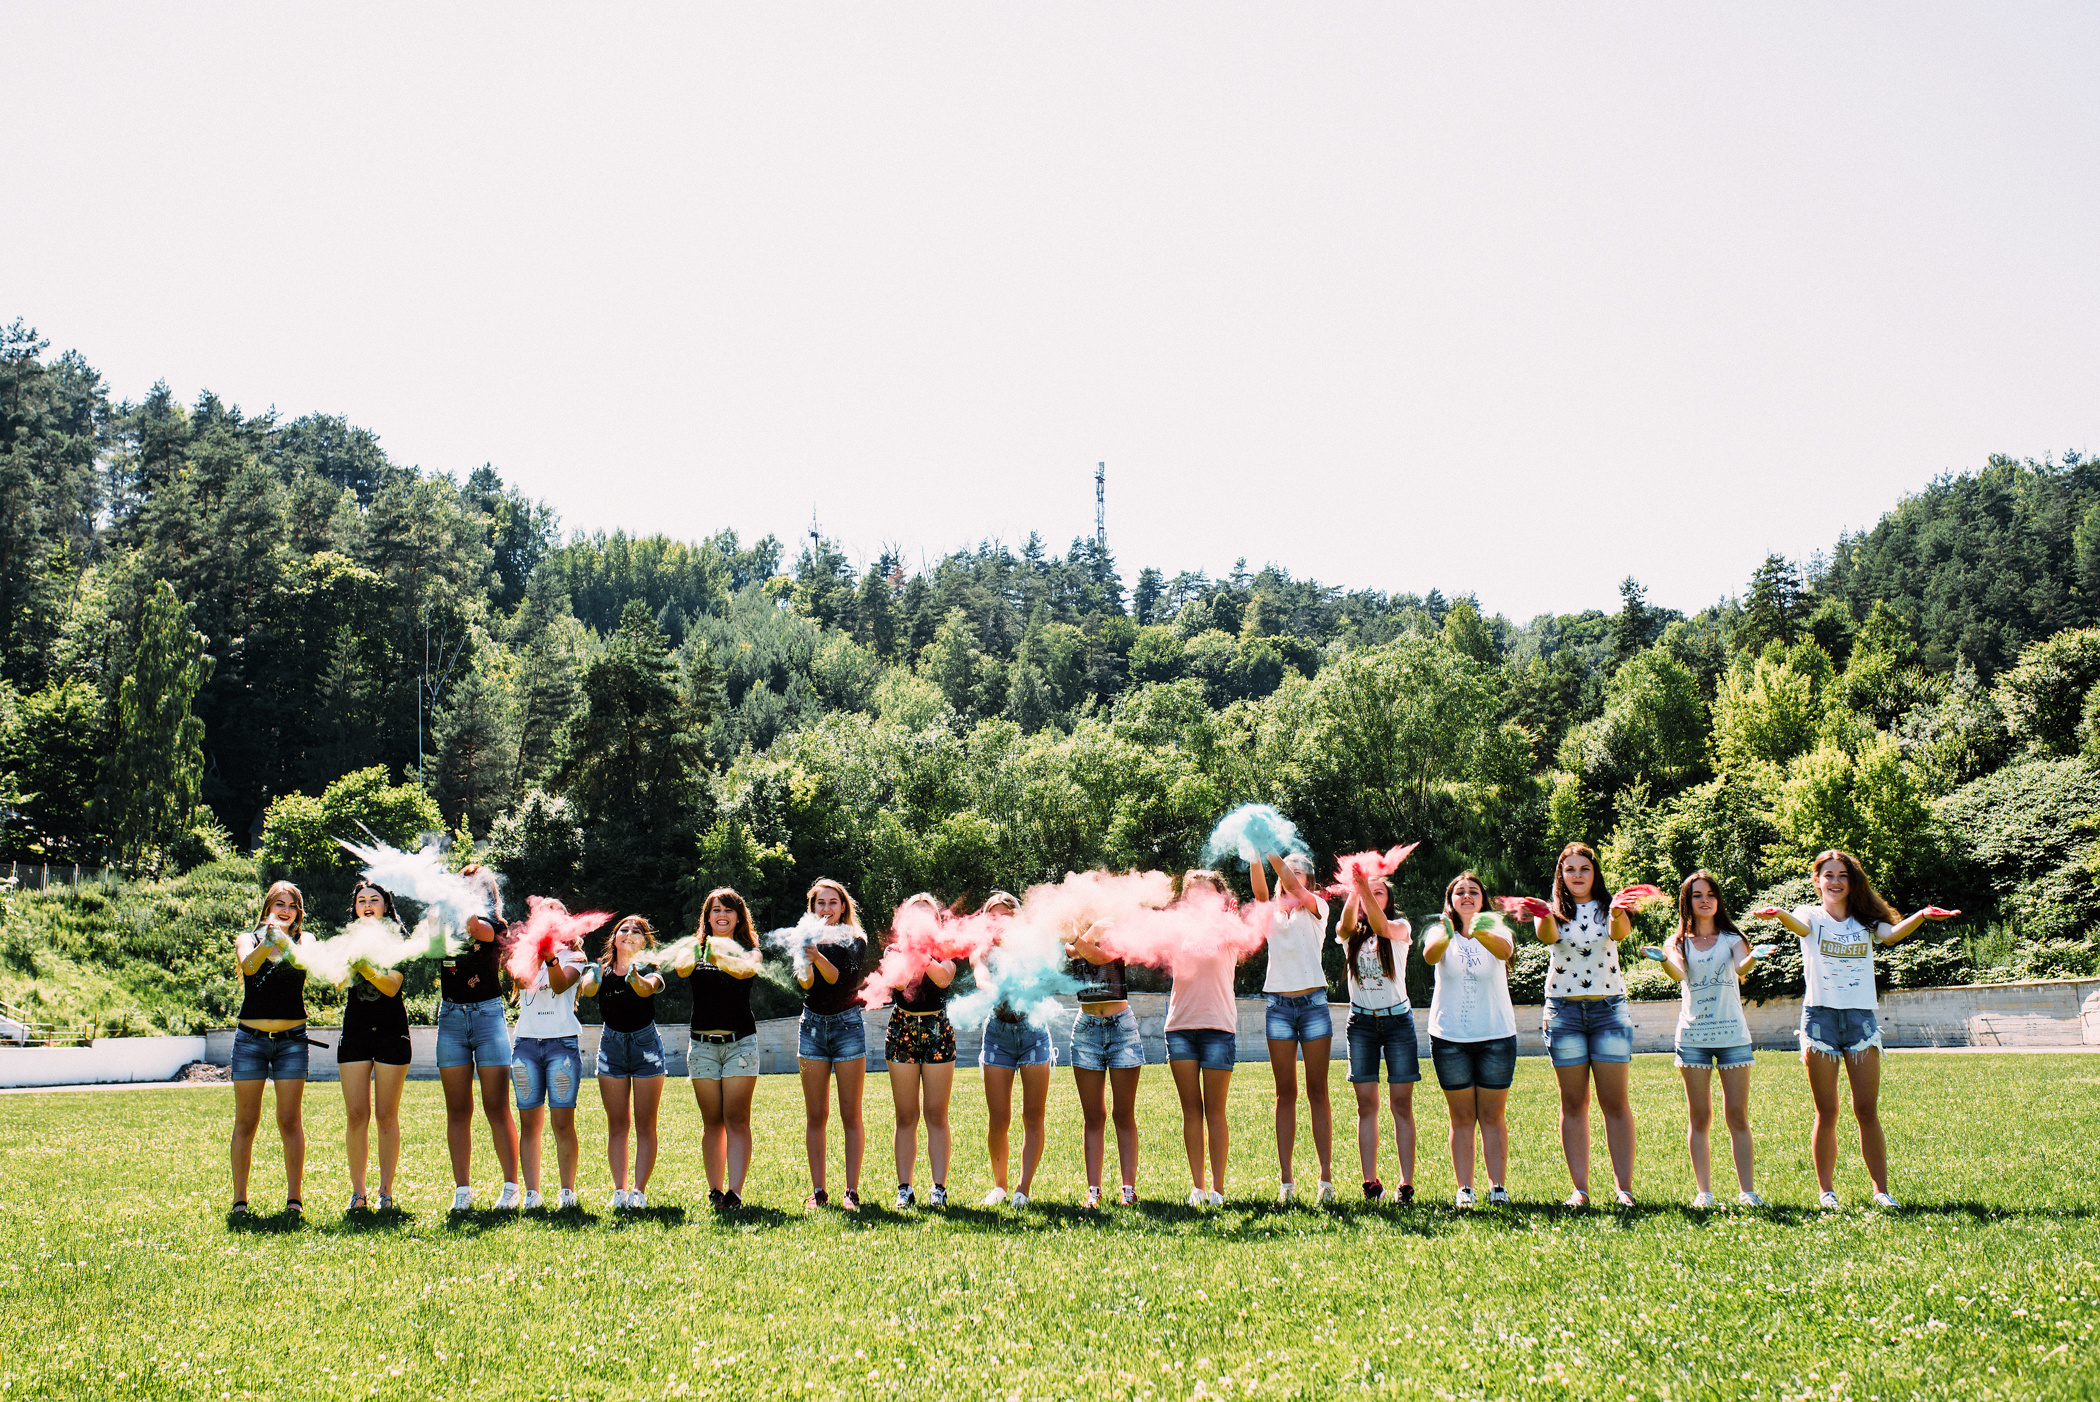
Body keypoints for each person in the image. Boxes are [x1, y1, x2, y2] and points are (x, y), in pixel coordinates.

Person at [1753, 849, 1957, 1209]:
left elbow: (1891, 935)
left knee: (1866, 1108)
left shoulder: (1864, 920)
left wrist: (1922, 915)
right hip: (1820, 1019)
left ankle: (1881, 1191)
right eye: (1828, 875)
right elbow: (1799, 928)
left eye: (1842, 875)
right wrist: (1780, 914)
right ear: (1817, 881)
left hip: (1861, 1019)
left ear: (1852, 881)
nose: (1834, 881)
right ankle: (1826, 1192)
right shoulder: (1810, 915)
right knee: (1827, 1110)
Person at [1518, 841, 1640, 1208]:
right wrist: (1542, 913)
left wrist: (1618, 911)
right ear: (1561, 875)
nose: (1577, 875)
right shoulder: (1553, 912)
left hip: (1608, 1011)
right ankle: (1581, 1190)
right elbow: (1548, 937)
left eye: (1584, 869)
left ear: (1594, 873)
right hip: (1564, 1013)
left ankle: (1624, 1190)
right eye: (1569, 869)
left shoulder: (1609, 907)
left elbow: (1619, 934)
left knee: (1615, 1103)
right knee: (1574, 1104)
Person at [1660, 870, 1765, 1208]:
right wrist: (1663, 959)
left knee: (1737, 1115)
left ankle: (1748, 1192)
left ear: (1717, 900)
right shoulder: (1677, 943)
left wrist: (1755, 957)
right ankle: (1703, 1192)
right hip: (1693, 1037)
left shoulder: (1733, 938)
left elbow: (1741, 968)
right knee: (1700, 1116)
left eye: (1710, 894)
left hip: (1732, 1034)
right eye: (1696, 895)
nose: (1704, 900)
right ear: (1686, 902)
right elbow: (1678, 971)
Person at [1422, 871, 1517, 1209]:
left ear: (1482, 899)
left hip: (1496, 1036)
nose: (1466, 896)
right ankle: (1465, 1188)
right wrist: (1451, 931)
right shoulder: (1440, 931)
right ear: (1450, 901)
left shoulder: (1496, 928)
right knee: (1461, 1117)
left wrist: (1477, 927)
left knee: (1492, 1116)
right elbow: (1431, 956)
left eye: (1472, 892)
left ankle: (1498, 1187)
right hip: (1450, 1038)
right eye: (1459, 892)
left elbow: (1505, 952)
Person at [1249, 851, 1335, 1204]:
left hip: (1313, 1005)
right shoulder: (1271, 912)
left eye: (1299, 872)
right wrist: (1255, 850)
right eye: (1289, 871)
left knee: (1318, 1091)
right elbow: (1259, 890)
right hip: (1279, 1007)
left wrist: (1271, 850)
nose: (1292, 876)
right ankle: (1287, 1182)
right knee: (1285, 1093)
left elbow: (1284, 878)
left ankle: (1325, 1180)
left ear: (1309, 882)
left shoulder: (1316, 908)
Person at [230, 881, 317, 1217]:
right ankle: (240, 1201)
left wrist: (283, 940)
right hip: (250, 1040)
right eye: (279, 904)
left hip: (292, 1042)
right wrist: (269, 940)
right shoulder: (247, 939)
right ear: (267, 907)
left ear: (298, 913)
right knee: (246, 1121)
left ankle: (293, 1200)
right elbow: (249, 967)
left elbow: (301, 963)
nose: (285, 910)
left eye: (292, 905)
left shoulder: (304, 940)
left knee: (289, 1120)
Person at [437, 863, 520, 1212]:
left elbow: (476, 928)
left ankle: (511, 1187)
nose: (468, 890)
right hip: (451, 1017)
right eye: (463, 885)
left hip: (487, 1016)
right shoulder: (442, 922)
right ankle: (462, 1190)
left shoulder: (493, 925)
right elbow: (427, 948)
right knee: (457, 1110)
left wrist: (452, 899)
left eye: (476, 886)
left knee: (497, 1106)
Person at [676, 888, 764, 1210]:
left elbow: (746, 971)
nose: (721, 915)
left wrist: (718, 955)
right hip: (701, 1048)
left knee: (737, 1119)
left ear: (738, 917)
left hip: (740, 1044)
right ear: (707, 917)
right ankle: (715, 1190)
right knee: (712, 1120)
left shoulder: (750, 950)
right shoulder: (695, 948)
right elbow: (682, 969)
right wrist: (701, 951)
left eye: (728, 910)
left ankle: (735, 1192)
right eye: (715, 910)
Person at [1337, 864, 1418, 1203]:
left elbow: (1381, 925)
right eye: (1368, 892)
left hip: (1398, 1023)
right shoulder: (1351, 936)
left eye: (1379, 891)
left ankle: (1405, 1183)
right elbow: (1342, 925)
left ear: (1389, 899)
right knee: (1366, 1105)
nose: (1372, 895)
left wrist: (1362, 887)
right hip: (1362, 1026)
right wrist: (1356, 890)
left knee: (1401, 1104)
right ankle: (1371, 1182)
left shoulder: (1399, 927)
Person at [1165, 869, 1244, 1209]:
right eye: (1192, 893)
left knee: (1216, 1112)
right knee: (1191, 1111)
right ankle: (1197, 1187)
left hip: (1218, 1028)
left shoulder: (1231, 927)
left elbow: (1242, 938)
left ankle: (1218, 1190)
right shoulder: (1175, 931)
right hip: (1180, 1028)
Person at [971, 892, 1050, 1209]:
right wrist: (996, 990)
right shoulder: (983, 951)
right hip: (998, 1035)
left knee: (1033, 1115)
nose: (999, 921)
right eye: (993, 916)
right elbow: (981, 980)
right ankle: (1000, 1187)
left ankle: (1023, 1189)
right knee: (998, 1118)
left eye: (1006, 915)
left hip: (1033, 1032)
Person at [582, 915, 667, 1210]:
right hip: (612, 1048)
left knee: (646, 1125)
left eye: (636, 931)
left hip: (646, 1048)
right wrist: (590, 977)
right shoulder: (601, 970)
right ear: (615, 939)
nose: (629, 933)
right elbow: (588, 990)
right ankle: (619, 1192)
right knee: (617, 1124)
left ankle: (638, 1191)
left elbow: (646, 989)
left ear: (644, 942)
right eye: (623, 930)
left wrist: (634, 975)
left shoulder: (650, 969)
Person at [336, 881, 411, 1213]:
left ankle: (386, 1193)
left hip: (392, 1034)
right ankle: (358, 1194)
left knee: (385, 1115)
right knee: (356, 1115)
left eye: (374, 900)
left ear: (385, 906)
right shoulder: (347, 940)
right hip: (354, 1033)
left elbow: (392, 987)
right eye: (361, 900)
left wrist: (363, 966)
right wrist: (346, 962)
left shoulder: (400, 940)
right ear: (355, 908)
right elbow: (338, 981)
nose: (367, 904)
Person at [797, 877, 870, 1211]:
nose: (826, 909)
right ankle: (818, 1190)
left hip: (847, 1027)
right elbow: (806, 982)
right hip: (811, 1027)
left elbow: (842, 980)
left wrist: (817, 956)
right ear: (813, 907)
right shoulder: (804, 937)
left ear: (843, 907)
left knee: (850, 1114)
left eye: (832, 902)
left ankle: (851, 1191)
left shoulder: (856, 939)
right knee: (816, 1115)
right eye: (820, 903)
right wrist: (806, 960)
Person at [884, 893, 960, 1209]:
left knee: (936, 1114)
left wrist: (925, 954)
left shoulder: (946, 951)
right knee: (906, 1116)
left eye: (926, 913)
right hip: (902, 1029)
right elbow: (901, 983)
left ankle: (938, 1189)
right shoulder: (893, 950)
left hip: (937, 1030)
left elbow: (943, 979)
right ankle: (905, 1189)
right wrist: (910, 951)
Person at [510, 910, 590, 1210]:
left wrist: (550, 957)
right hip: (526, 1044)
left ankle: (567, 1192)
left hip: (561, 1045)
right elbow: (519, 978)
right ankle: (532, 1194)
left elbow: (559, 985)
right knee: (529, 1124)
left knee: (562, 1123)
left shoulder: (576, 958)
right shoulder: (525, 954)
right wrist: (535, 952)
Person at [1066, 911, 1144, 1209]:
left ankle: (1128, 1189)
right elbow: (1075, 952)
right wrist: (1089, 930)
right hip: (1086, 1028)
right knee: (1093, 1116)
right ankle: (1093, 1190)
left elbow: (1099, 958)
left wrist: (1096, 930)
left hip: (1121, 1028)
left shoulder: (1119, 936)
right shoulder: (1073, 939)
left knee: (1123, 1114)